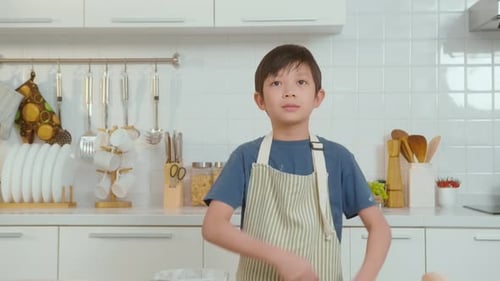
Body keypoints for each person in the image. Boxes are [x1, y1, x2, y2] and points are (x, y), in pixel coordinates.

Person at [202, 44, 391, 281]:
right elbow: (214, 226)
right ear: (260, 100)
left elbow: (379, 228)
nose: (289, 92)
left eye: (300, 82)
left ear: (318, 97)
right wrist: (282, 258)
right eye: (276, 83)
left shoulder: (338, 158)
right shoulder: (246, 157)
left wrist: (365, 277)